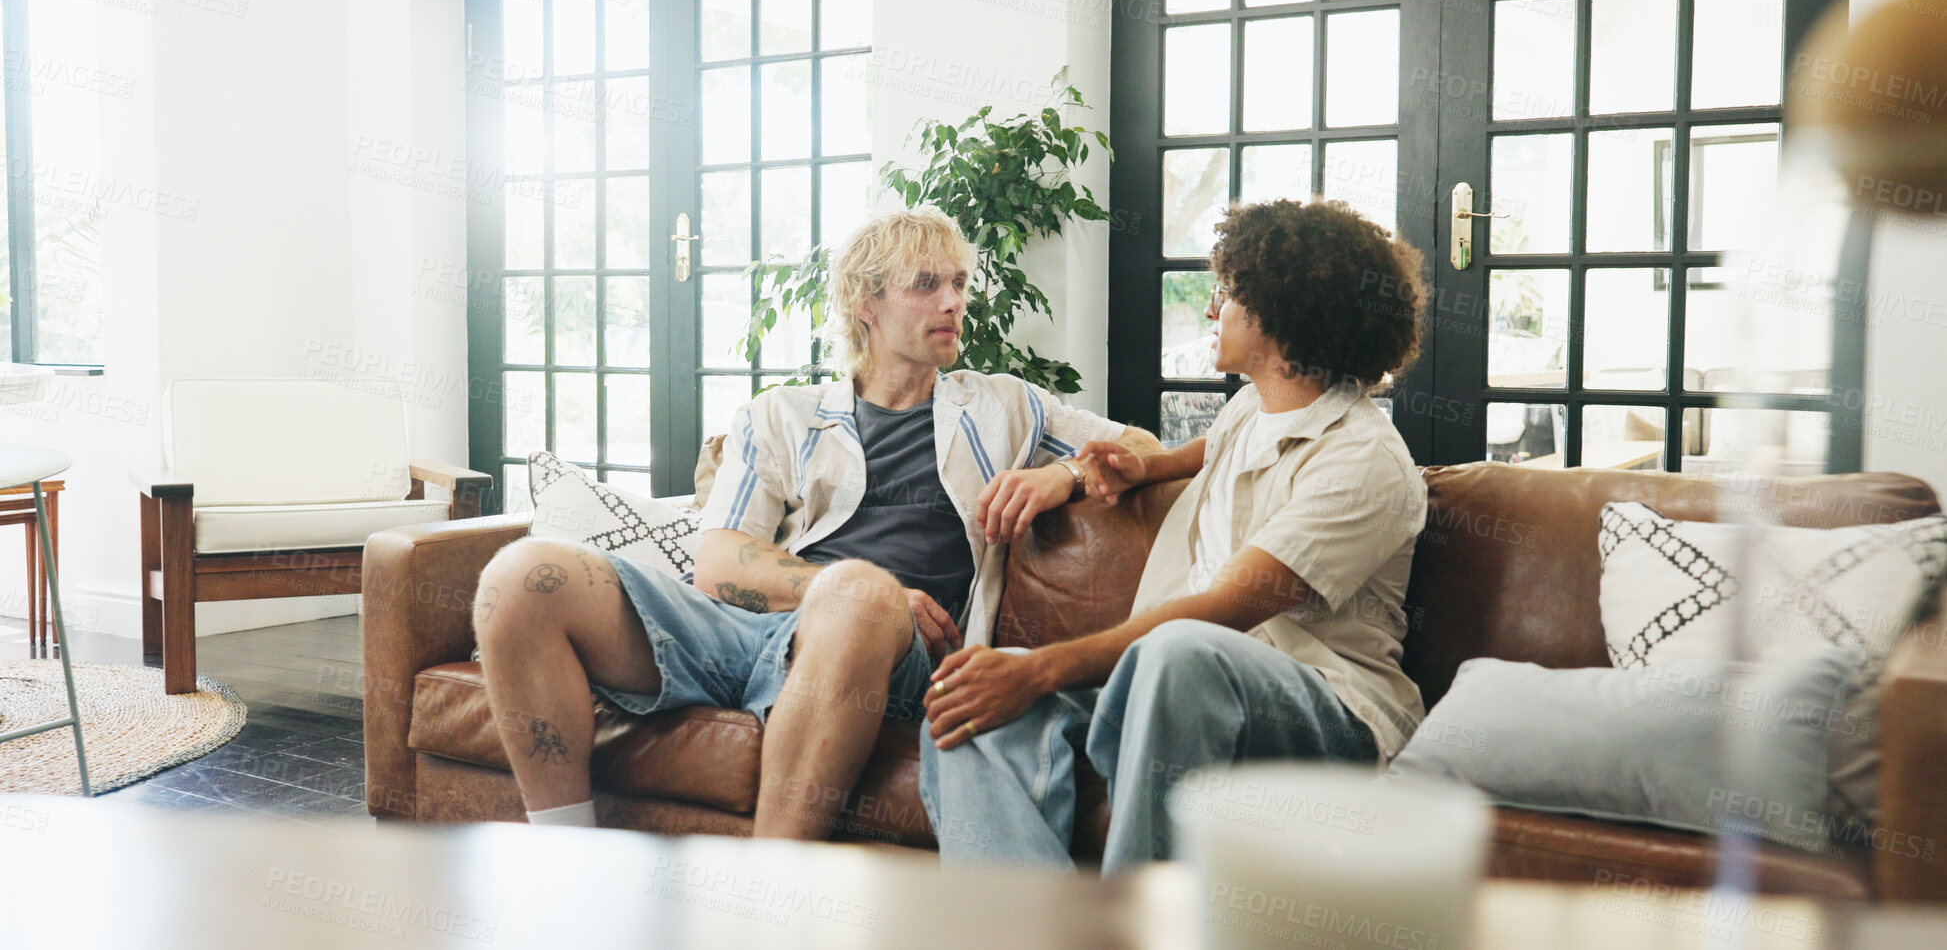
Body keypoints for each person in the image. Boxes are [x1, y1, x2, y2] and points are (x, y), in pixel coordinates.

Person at [472, 206, 1159, 837]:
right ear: (866, 303)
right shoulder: (780, 415)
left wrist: (1065, 474)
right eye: (926, 284)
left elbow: (1144, 447)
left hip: (886, 657)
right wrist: (839, 590)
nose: (953, 301)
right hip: (747, 633)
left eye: (958, 282)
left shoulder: (1005, 405)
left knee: (859, 596)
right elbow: (719, 562)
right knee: (523, 574)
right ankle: (565, 852)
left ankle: (768, 899)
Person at [919, 199, 1431, 871]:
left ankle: (1138, 915)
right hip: (1174, 682)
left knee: (1180, 650)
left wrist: (1041, 669)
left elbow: (1222, 611)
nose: (1214, 308)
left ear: (1281, 317)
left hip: (1329, 708)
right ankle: (1022, 916)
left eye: (1229, 294)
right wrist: (1146, 467)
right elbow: (1212, 449)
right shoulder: (1252, 407)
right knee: (964, 700)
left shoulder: (1363, 460)